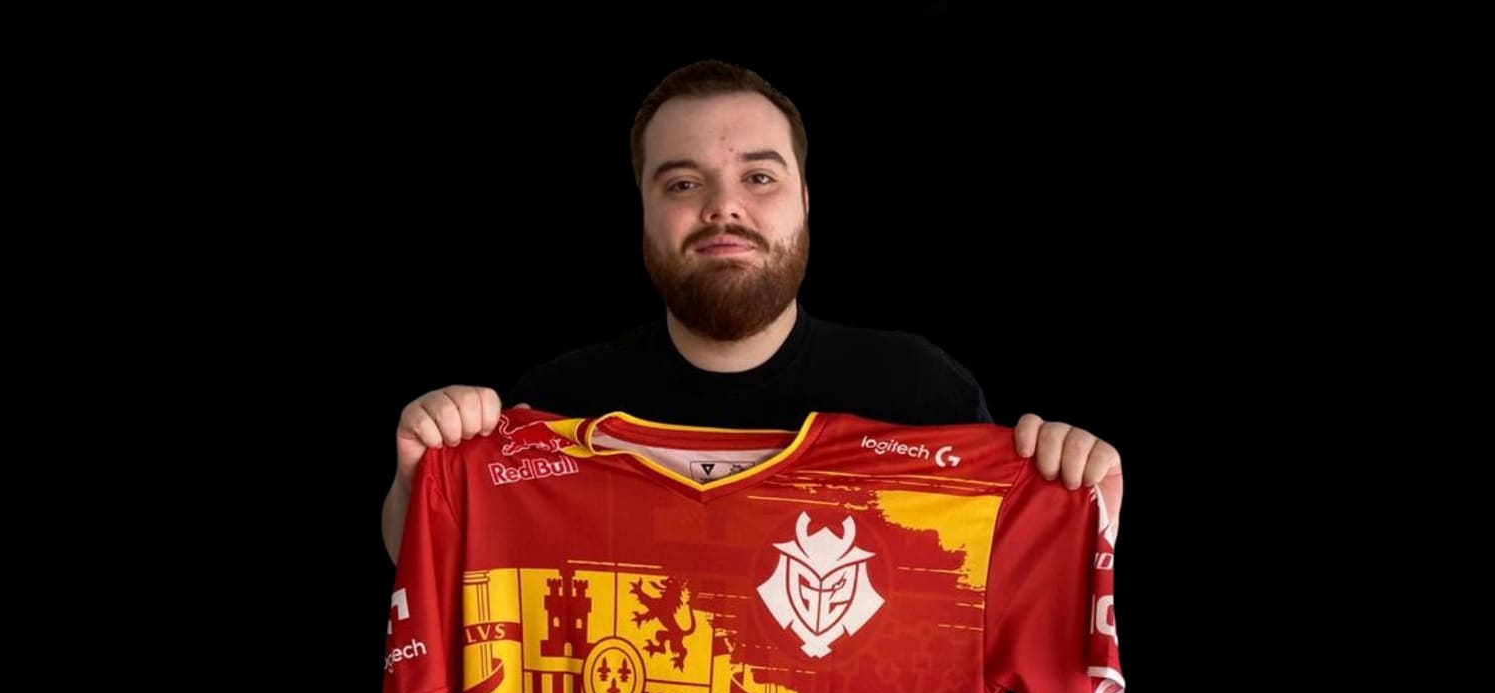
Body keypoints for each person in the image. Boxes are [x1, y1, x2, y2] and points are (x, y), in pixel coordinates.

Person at [381, 59, 1121, 561]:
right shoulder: (553, 408)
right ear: (643, 212)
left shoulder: (925, 397)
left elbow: (1016, 589)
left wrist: (1082, 511)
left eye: (759, 177)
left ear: (805, 200)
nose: (723, 207)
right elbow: (445, 564)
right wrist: (424, 482)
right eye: (681, 184)